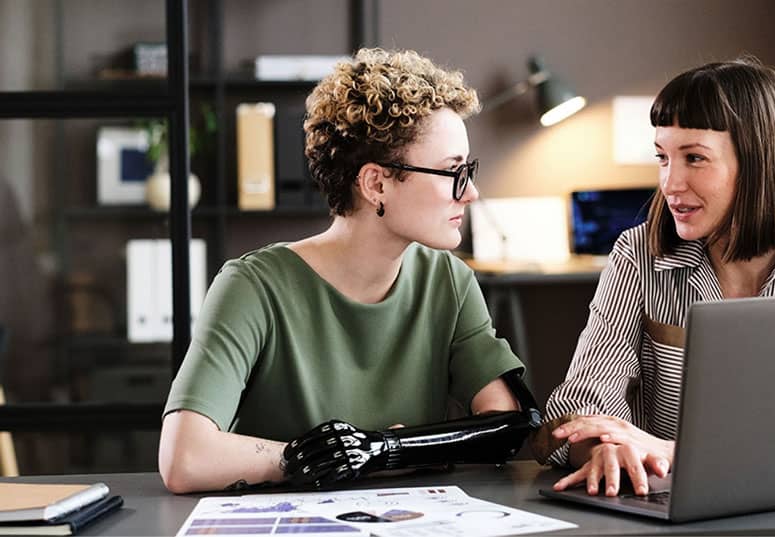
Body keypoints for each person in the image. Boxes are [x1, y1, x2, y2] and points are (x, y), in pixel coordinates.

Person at [158, 48, 539, 494]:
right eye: (452, 172)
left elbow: (509, 424)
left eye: (468, 170)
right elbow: (185, 457)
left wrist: (382, 448)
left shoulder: (449, 282)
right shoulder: (252, 286)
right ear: (375, 183)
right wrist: (311, 457)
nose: (470, 192)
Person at [543, 57, 775, 497]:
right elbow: (580, 404)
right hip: (671, 512)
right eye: (662, 158)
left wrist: (669, 450)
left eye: (695, 158)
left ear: (759, 162)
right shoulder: (638, 254)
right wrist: (606, 448)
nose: (669, 184)